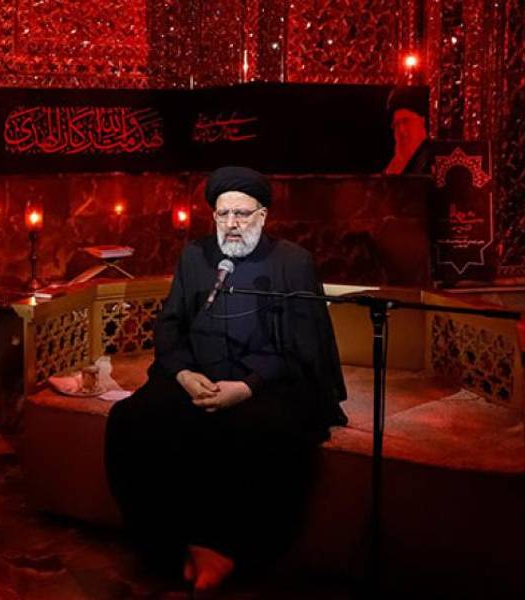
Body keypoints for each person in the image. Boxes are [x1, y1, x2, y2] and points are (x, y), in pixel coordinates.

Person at [104, 166, 347, 593]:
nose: (231, 224)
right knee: (132, 419)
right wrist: (183, 373)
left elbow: (303, 345)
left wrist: (247, 386)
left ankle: (225, 549)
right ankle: (168, 545)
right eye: (223, 214)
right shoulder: (195, 256)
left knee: (256, 431)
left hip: (266, 382)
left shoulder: (292, 263)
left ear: (263, 216)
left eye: (242, 214)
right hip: (197, 376)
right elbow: (170, 325)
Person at [384, 86, 431, 175]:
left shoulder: (432, 163)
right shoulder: (390, 169)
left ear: (422, 121)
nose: (401, 130)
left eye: (406, 121)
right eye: (396, 125)